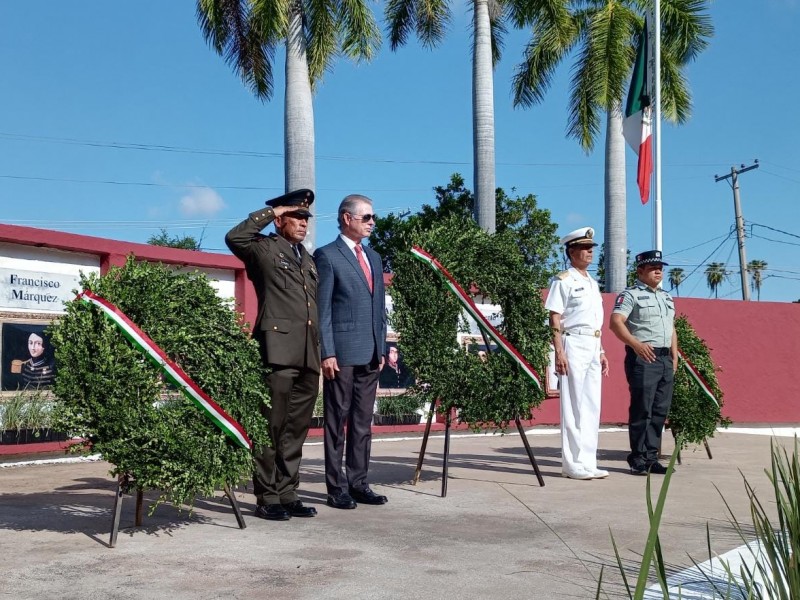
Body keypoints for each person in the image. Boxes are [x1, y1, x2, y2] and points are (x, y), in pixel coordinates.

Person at [225, 189, 320, 521]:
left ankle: (288, 492)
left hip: (308, 353)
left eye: (305, 218)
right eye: (296, 217)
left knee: (295, 430)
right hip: (277, 351)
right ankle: (267, 497)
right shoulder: (263, 249)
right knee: (270, 427)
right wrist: (273, 210)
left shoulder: (306, 258)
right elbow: (235, 237)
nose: (303, 224)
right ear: (280, 220)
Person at [314, 194, 388, 510]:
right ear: (347, 218)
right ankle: (336, 488)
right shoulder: (327, 256)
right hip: (341, 355)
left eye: (372, 217)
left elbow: (378, 307)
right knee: (336, 421)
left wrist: (381, 346)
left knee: (362, 423)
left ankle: (359, 483)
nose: (372, 222)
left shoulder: (374, 258)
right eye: (367, 217)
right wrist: (327, 352)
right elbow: (323, 310)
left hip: (371, 353)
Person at [545, 227, 609, 481]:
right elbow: (555, 317)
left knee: (592, 405)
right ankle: (571, 464)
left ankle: (588, 461)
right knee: (573, 406)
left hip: (592, 344)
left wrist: (602, 350)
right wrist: (558, 351)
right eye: (584, 248)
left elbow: (594, 321)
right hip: (572, 344)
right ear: (571, 252)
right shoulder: (564, 280)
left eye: (591, 248)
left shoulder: (592, 283)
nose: (589, 252)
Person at [609, 250, 677, 476]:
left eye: (660, 267)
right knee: (642, 409)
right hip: (644, 358)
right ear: (640, 271)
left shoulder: (666, 297)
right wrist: (635, 344)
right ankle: (637, 458)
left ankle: (651, 457)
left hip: (665, 359)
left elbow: (671, 327)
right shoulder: (631, 295)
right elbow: (616, 322)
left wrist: (674, 356)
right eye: (652, 267)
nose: (658, 271)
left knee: (659, 411)